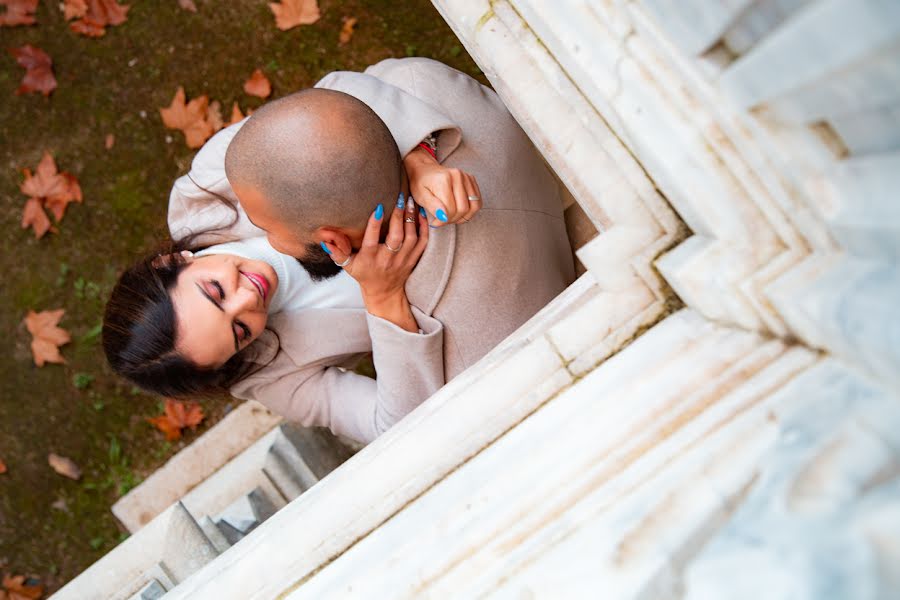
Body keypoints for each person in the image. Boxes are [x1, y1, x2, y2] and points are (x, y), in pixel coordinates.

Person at [104, 58, 575, 444]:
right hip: (481, 286)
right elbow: (396, 427)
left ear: (172, 261)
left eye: (215, 291)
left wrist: (414, 159)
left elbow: (325, 115)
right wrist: (383, 297)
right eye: (241, 331)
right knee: (478, 391)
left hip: (463, 165)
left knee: (393, 79)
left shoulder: (207, 187)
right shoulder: (271, 376)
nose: (250, 301)